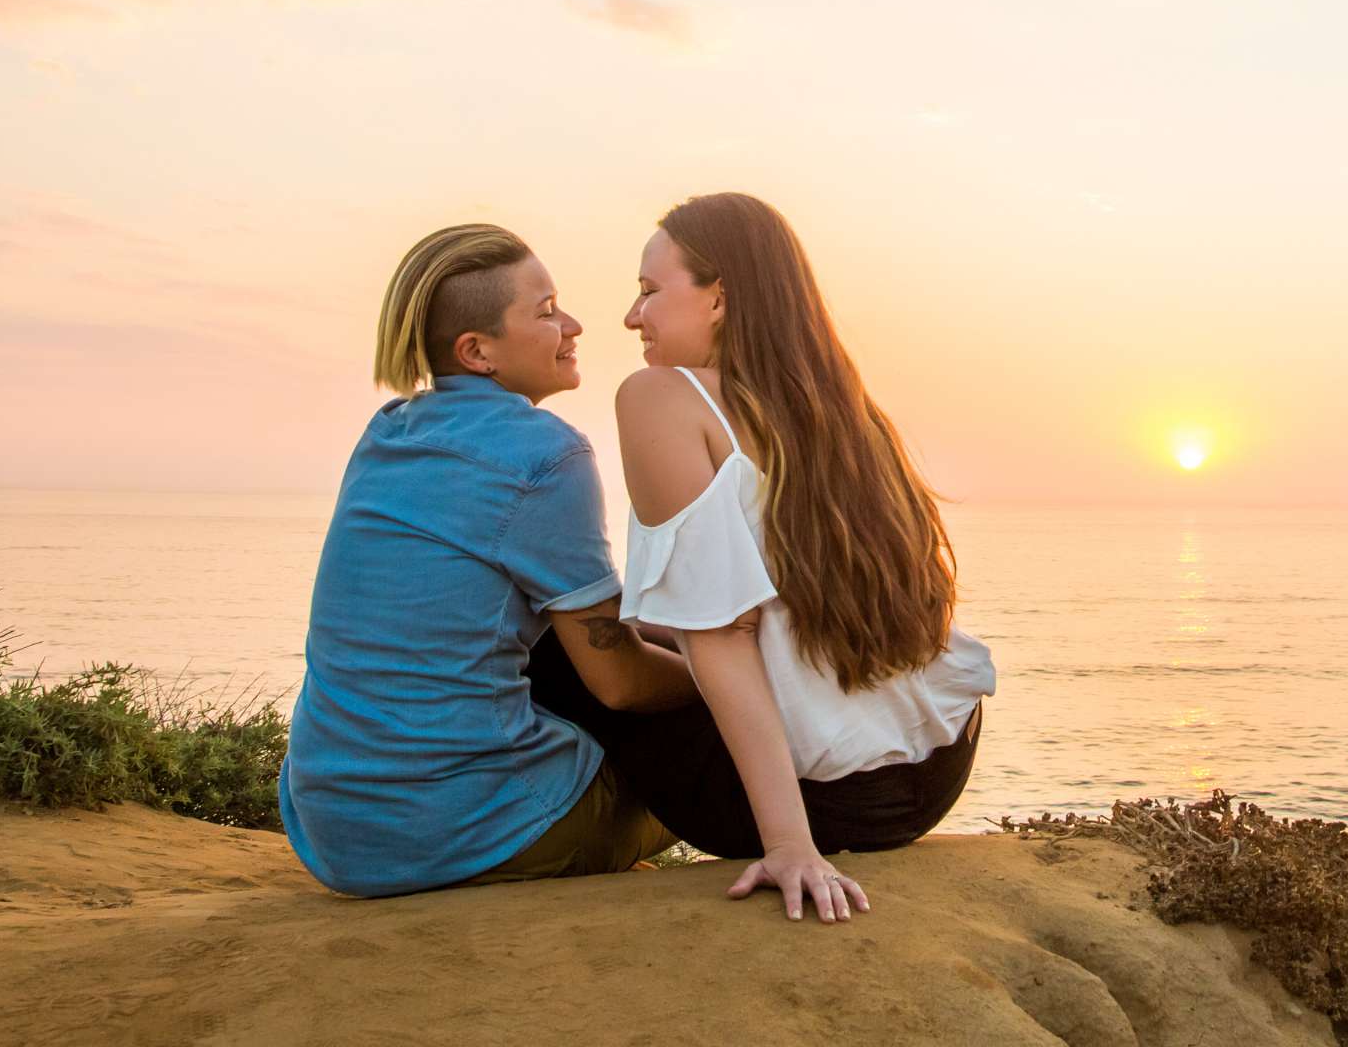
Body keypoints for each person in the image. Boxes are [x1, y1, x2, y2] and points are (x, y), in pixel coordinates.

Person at [278, 224, 699, 897]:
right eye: (546, 311)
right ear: (477, 351)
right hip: (457, 834)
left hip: (337, 837)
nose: (574, 324)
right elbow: (619, 681)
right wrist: (739, 677)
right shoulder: (545, 454)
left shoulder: (387, 431)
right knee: (725, 747)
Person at [611, 192, 996, 925]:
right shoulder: (846, 414)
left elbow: (723, 634)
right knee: (650, 628)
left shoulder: (659, 397)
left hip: (823, 806)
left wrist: (790, 844)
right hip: (939, 766)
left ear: (719, 296)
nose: (634, 317)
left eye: (649, 291)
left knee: (565, 655)